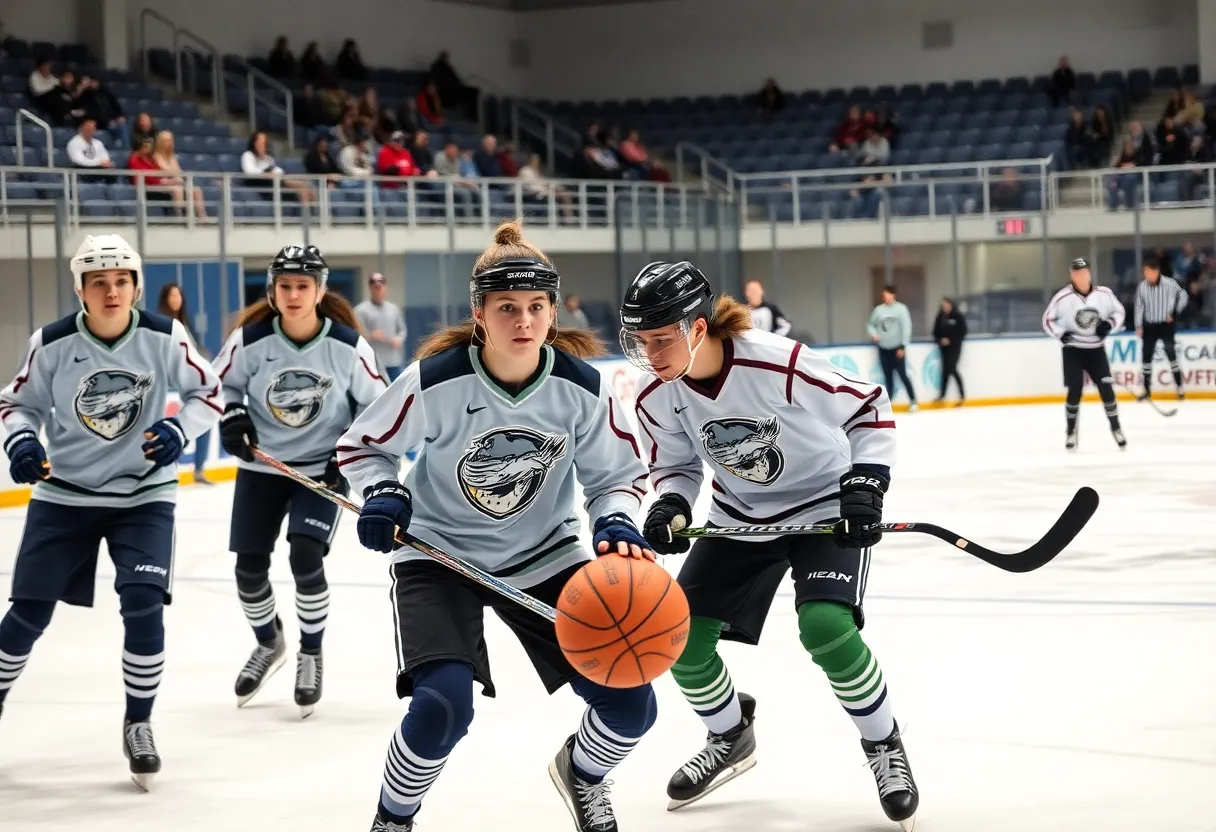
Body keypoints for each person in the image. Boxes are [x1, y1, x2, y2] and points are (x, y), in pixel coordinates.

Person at [335, 221, 658, 832]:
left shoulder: (582, 388)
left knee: (631, 703)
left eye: (537, 307)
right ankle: (392, 819)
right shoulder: (434, 380)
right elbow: (362, 448)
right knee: (442, 708)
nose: (524, 320)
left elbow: (616, 476)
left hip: (545, 555)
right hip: (438, 556)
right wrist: (382, 492)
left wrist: (615, 518)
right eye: (507, 307)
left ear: (552, 312)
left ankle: (583, 774)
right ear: (478, 313)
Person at [619, 261, 918, 831]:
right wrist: (673, 504)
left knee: (827, 628)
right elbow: (677, 465)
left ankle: (884, 746)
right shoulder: (655, 394)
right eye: (642, 340)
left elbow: (868, 410)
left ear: (698, 329)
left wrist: (864, 484)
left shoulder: (775, 361)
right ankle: (730, 734)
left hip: (823, 506)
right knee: (680, 639)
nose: (651, 353)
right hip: (741, 517)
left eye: (662, 339)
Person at [0, 234, 222, 788]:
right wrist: (21, 443)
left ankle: (139, 722)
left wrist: (178, 428)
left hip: (143, 495)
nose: (111, 290)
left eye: (122, 280)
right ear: (80, 289)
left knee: (144, 605)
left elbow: (210, 394)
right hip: (65, 496)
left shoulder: (164, 335)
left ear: (136, 286)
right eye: (98, 282)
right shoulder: (49, 343)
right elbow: (15, 404)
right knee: (26, 617)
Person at [213, 244, 387, 718]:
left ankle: (311, 651)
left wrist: (348, 453)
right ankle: (270, 643)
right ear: (273, 291)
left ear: (320, 290)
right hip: (260, 469)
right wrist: (232, 413)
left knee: (304, 554)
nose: (293, 294)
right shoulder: (249, 341)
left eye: (303, 286)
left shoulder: (349, 346)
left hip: (319, 474)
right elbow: (221, 386)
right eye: (285, 286)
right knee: (248, 568)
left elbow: (379, 407)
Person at [1042, 257, 1126, 451]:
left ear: (1089, 273)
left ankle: (1116, 428)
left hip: (1096, 350)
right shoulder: (1062, 297)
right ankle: (1071, 432)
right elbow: (1048, 320)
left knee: (1106, 390)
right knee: (1075, 390)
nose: (1080, 275)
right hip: (1073, 350)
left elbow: (1119, 312)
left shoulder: (1104, 294)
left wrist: (1109, 324)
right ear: (1072, 274)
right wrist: (1060, 334)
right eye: (1076, 272)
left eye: (1083, 271)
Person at [157, 283, 215, 483]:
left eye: (178, 295)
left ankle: (199, 469)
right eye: (172, 295)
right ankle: (166, 467)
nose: (176, 299)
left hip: (188, 385)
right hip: (169, 386)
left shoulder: (185, 324)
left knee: (200, 422)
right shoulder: (162, 325)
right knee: (174, 429)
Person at [1133, 256, 1187, 400]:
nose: (1146, 274)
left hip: (1166, 325)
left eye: (1148, 271)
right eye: (1145, 271)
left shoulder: (1169, 283)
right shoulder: (1142, 286)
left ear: (1156, 271)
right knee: (1146, 358)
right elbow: (1139, 306)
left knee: (1171, 355)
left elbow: (1183, 296)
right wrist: (1138, 325)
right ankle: (1146, 391)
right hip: (1150, 325)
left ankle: (1180, 389)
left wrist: (1174, 313)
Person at [867, 286, 917, 411]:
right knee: (887, 376)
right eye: (884, 295)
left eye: (888, 294)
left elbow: (906, 328)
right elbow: (870, 324)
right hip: (884, 348)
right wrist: (873, 333)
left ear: (893, 295)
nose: (886, 297)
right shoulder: (879, 310)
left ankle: (913, 400)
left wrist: (903, 346)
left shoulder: (901, 309)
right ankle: (889, 403)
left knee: (902, 374)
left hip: (897, 348)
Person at [353, 272, 407, 380]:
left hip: (393, 361)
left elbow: (402, 330)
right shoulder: (361, 310)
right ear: (371, 289)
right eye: (375, 287)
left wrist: (399, 339)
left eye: (381, 287)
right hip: (372, 361)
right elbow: (354, 333)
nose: (379, 290)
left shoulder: (393, 309)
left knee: (396, 392)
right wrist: (370, 335)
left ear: (385, 288)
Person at [932, 297, 967, 405]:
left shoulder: (958, 316)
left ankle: (962, 395)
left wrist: (951, 340)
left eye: (946, 305)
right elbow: (935, 331)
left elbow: (962, 331)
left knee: (952, 368)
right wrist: (940, 340)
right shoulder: (940, 316)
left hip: (955, 347)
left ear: (951, 305)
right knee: (945, 371)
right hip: (944, 348)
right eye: (943, 305)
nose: (944, 307)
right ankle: (942, 395)